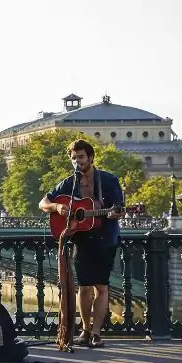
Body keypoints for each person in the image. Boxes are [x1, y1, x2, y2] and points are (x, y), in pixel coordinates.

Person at [38, 139, 124, 348]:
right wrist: (57, 207)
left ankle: (96, 333)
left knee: (101, 287)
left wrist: (113, 214)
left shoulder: (108, 180)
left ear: (91, 157)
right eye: (73, 158)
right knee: (84, 286)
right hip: (81, 238)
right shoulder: (70, 183)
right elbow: (43, 203)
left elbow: (119, 209)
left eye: (81, 157)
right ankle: (85, 330)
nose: (77, 161)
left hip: (105, 238)